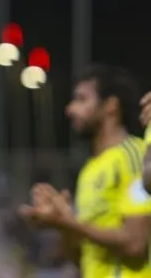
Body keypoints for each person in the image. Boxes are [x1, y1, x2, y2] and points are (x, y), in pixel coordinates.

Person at [20, 65, 151, 277]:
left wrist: (69, 222)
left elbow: (135, 244)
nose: (70, 109)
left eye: (81, 99)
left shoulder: (134, 157)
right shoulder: (89, 171)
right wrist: (63, 225)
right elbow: (82, 259)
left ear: (111, 106)